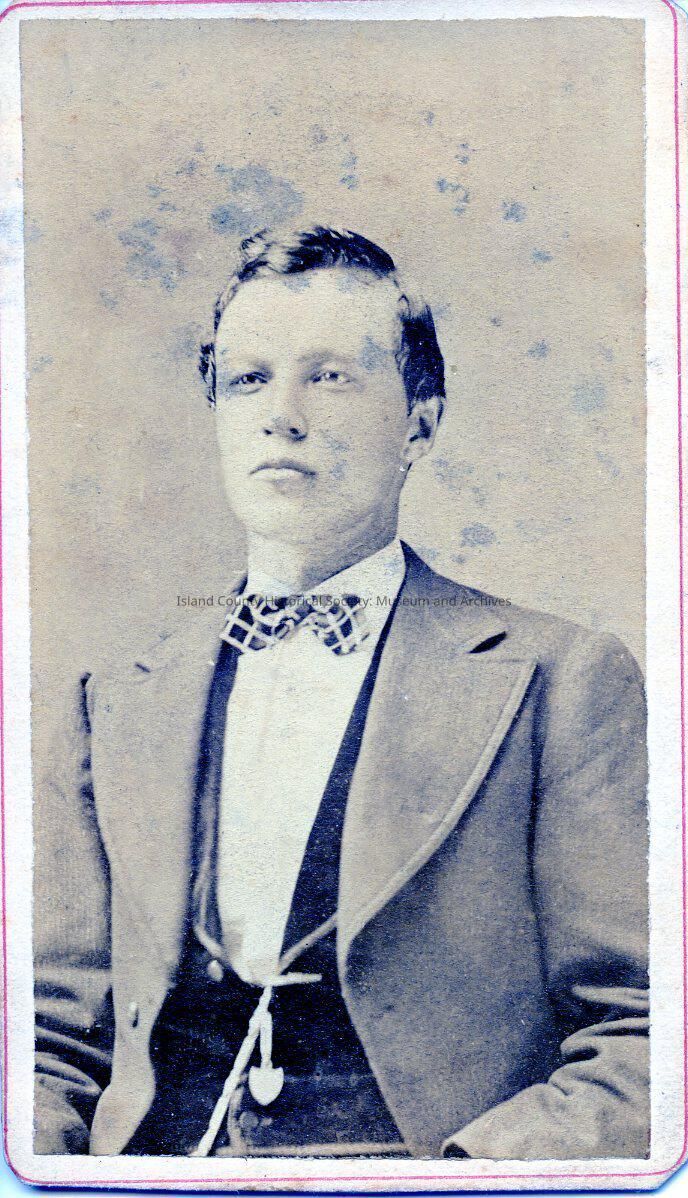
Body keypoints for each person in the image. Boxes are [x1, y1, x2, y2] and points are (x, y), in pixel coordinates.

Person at [34, 225, 648, 1160]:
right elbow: (45, 1047)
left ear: (420, 425)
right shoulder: (111, 699)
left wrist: (468, 1182)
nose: (281, 416)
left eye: (329, 377)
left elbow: (645, 1038)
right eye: (249, 379)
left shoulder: (562, 681)